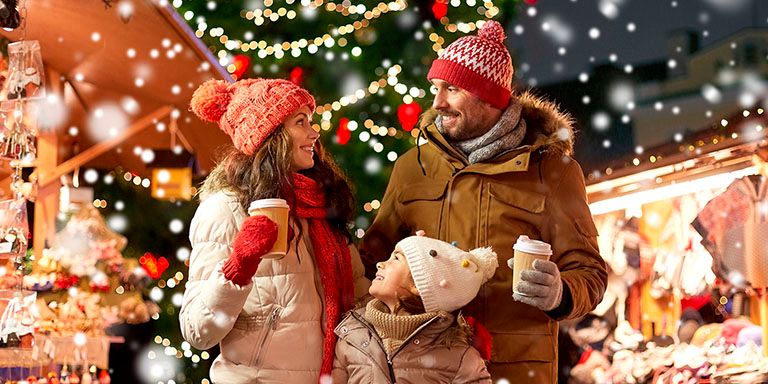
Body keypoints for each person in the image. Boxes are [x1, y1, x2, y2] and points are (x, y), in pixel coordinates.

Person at [360, 20, 607, 382]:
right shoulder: (412, 167)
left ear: (488, 96)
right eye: (436, 88)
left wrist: (561, 293)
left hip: (513, 370)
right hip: (427, 369)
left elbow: (590, 271)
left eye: (452, 89)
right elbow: (370, 262)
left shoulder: (552, 171)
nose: (438, 102)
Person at [180, 78, 370, 383]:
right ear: (270, 136)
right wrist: (238, 267)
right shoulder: (225, 209)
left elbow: (360, 304)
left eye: (310, 121)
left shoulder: (324, 203)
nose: (314, 133)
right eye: (300, 122)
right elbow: (197, 331)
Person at [333, 234, 496, 383]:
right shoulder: (351, 335)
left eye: (395, 258)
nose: (380, 264)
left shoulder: (460, 359)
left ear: (418, 284)